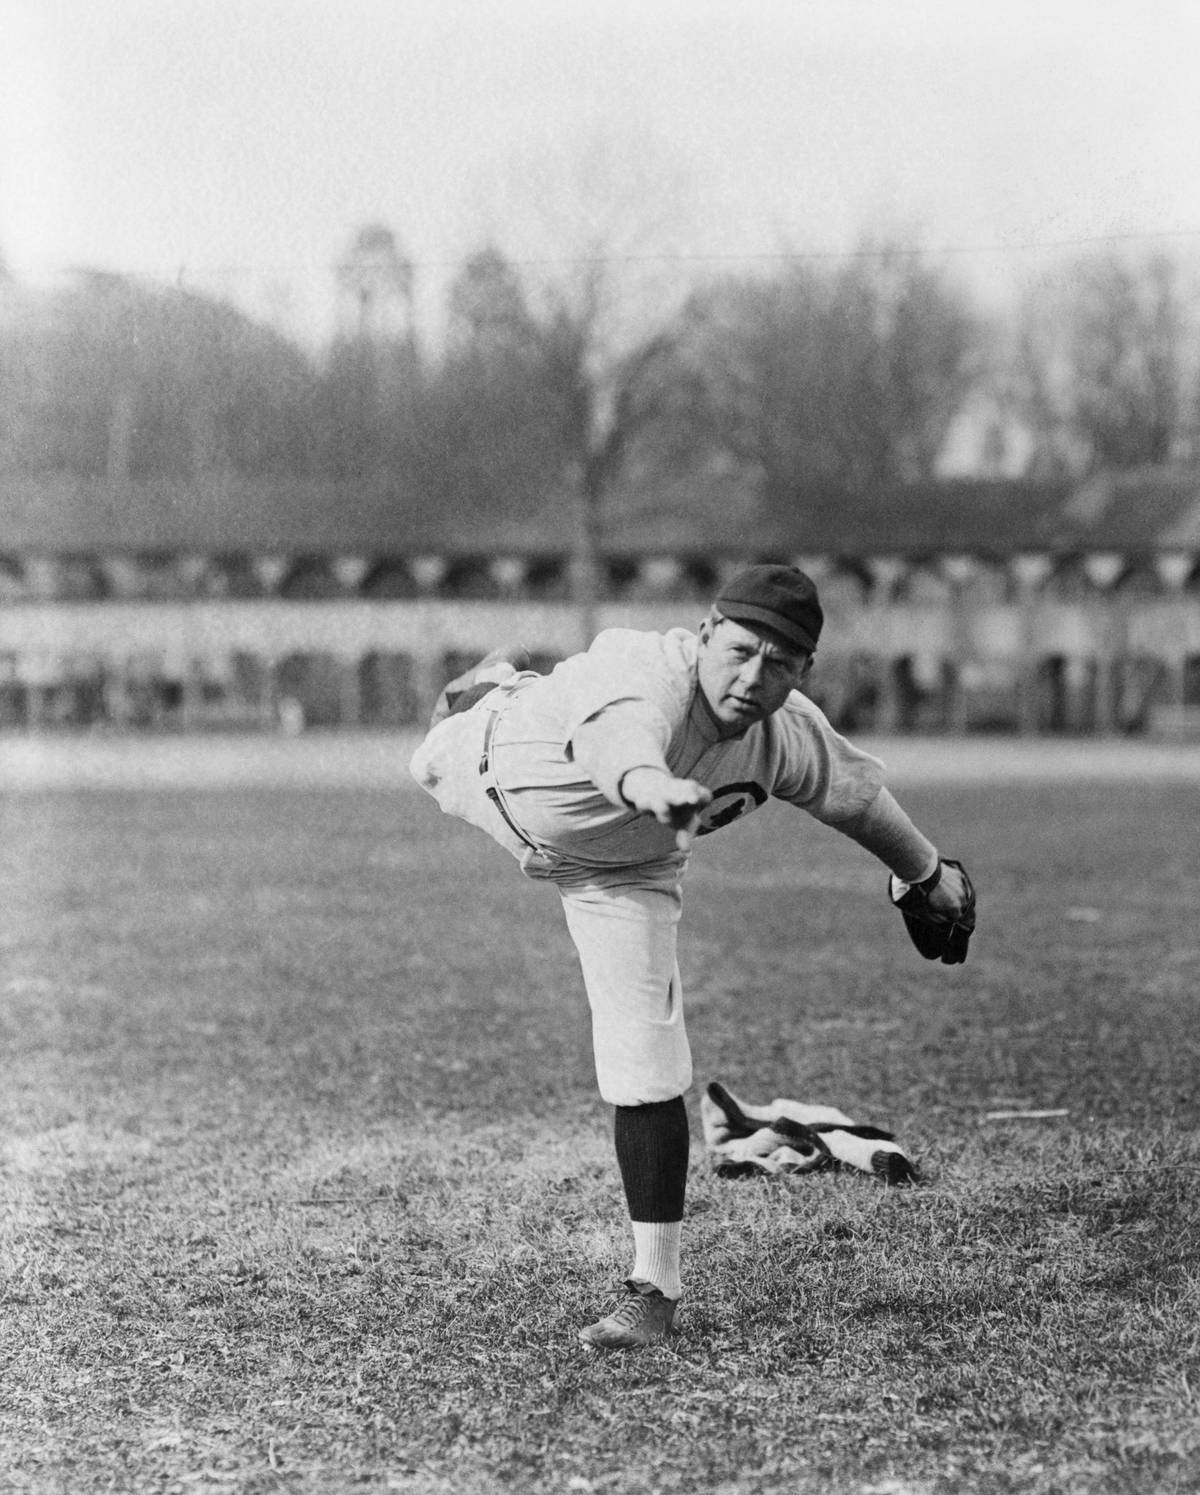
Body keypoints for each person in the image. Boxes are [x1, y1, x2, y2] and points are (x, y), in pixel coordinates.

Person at [408, 564, 975, 1350]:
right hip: (494, 769)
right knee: (432, 752)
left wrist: (927, 874)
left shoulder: (784, 731)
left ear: (804, 670)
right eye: (739, 650)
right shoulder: (643, 676)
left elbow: (856, 797)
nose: (752, 677)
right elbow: (618, 740)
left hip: (626, 869)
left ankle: (653, 1290)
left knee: (646, 1060)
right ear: (706, 633)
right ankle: (495, 683)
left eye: (779, 663)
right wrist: (651, 786)